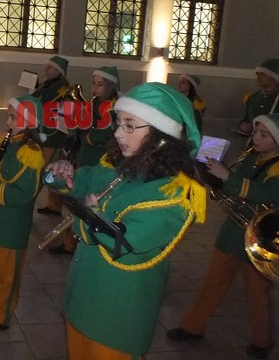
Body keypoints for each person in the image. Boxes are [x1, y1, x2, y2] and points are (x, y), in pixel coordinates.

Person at [46, 82, 207, 360]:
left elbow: (128, 243)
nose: (119, 133)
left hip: (116, 315)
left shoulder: (175, 192)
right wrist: (61, 174)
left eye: (130, 125)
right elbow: (82, 180)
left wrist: (91, 215)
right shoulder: (121, 166)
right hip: (82, 298)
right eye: (119, 123)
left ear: (161, 135)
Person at [167, 113, 279, 359]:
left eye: (264, 135)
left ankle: (261, 341)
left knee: (257, 291)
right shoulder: (251, 156)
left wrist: (227, 176)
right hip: (233, 230)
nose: (255, 138)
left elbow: (265, 192)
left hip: (261, 236)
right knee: (212, 281)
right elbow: (231, 183)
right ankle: (192, 326)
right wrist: (210, 173)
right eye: (255, 132)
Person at [0, 95, 45, 333]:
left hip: (12, 224)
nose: (8, 122)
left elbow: (24, 194)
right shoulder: (12, 143)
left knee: (7, 275)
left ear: (29, 121)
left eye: (13, 117)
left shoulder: (30, 152)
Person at [49, 65, 120, 255]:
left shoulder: (115, 106)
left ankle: (79, 242)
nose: (95, 88)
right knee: (77, 197)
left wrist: (86, 135)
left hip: (100, 157)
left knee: (91, 198)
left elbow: (105, 134)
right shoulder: (93, 103)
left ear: (110, 86)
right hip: (85, 155)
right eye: (93, 84)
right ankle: (70, 242)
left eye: (100, 85)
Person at [33, 55, 73, 216]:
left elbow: (46, 104)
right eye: (46, 67)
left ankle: (53, 205)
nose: (46, 70)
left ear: (59, 71)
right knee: (45, 168)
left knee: (49, 169)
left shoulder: (63, 88)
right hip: (43, 132)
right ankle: (52, 205)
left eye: (50, 68)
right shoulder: (47, 85)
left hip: (53, 135)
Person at [239, 59, 279, 136]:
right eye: (257, 74)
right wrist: (243, 126)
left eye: (263, 74)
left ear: (274, 76)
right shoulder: (253, 97)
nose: (259, 77)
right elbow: (246, 118)